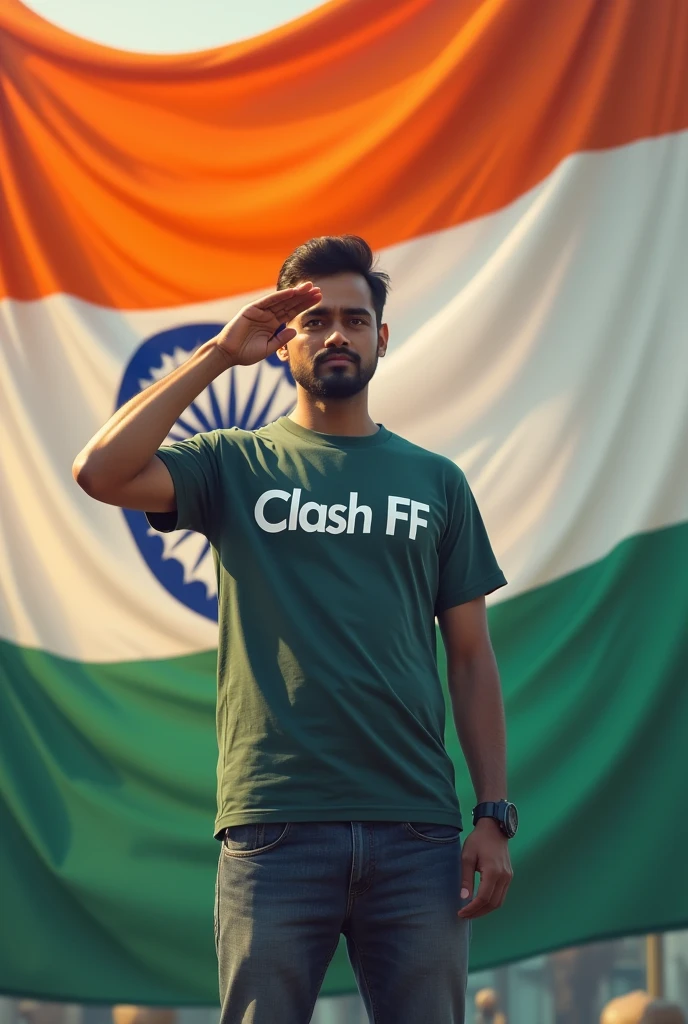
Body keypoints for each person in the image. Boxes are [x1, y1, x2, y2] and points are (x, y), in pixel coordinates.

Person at [73, 235, 516, 1024]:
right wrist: (217, 354)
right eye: (314, 322)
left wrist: (493, 813)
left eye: (354, 319)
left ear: (384, 337)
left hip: (415, 828)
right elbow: (101, 473)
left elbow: (473, 658)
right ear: (284, 341)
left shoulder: (437, 482)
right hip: (274, 825)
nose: (335, 335)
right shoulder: (232, 463)